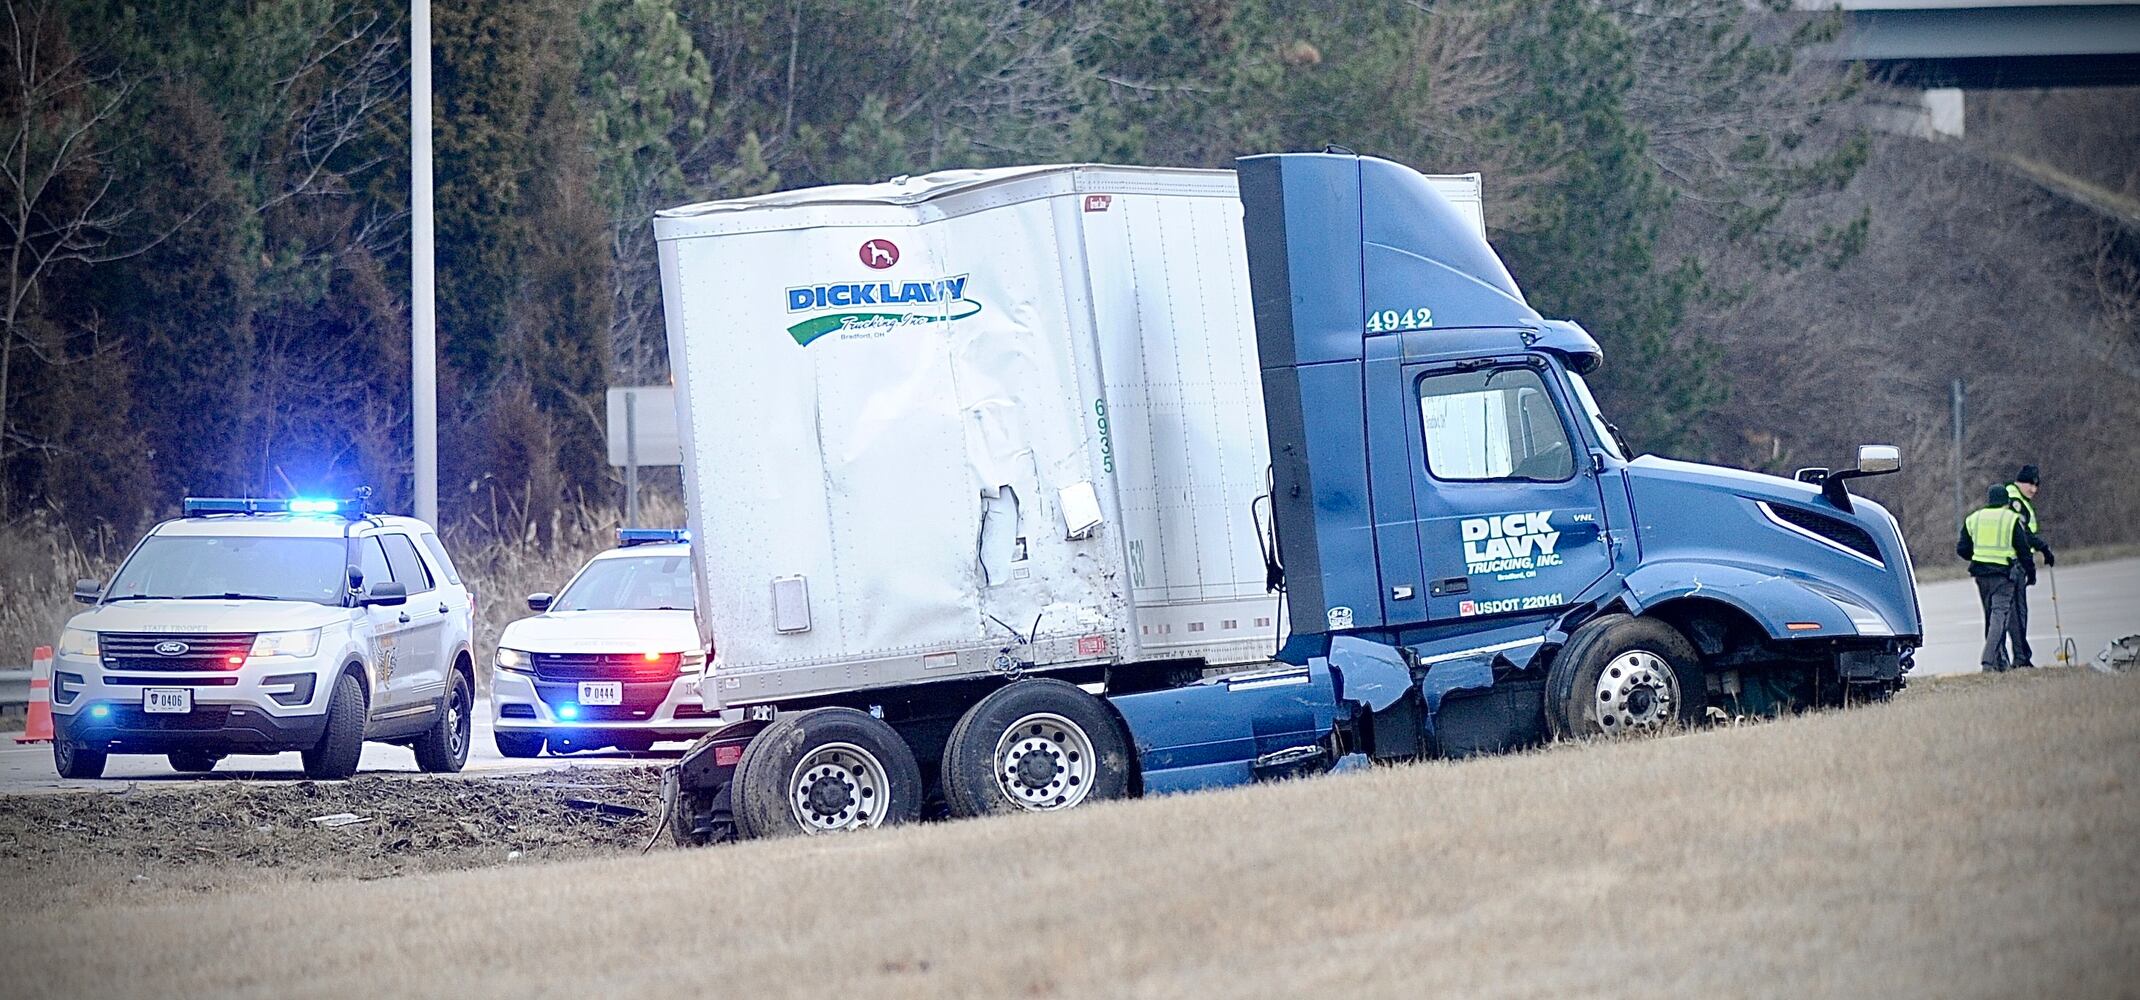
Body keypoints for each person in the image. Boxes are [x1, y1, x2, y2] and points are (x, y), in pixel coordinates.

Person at [1958, 483, 2039, 672]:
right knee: (1999, 616)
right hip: (2003, 574)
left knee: (1990, 615)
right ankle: (1988, 660)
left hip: (1980, 574)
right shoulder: (2010, 519)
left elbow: (1962, 548)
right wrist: (2031, 572)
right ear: (2005, 501)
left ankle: (1999, 662)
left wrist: (1978, 556)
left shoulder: (1974, 518)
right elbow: (2024, 551)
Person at [2002, 465, 2055, 667]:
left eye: (2036, 485)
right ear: (2019, 482)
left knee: (2006, 615)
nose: (2033, 489)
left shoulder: (2015, 499)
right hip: (2013, 564)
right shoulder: (2015, 503)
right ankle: (2021, 658)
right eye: (2029, 484)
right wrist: (2043, 548)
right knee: (2016, 615)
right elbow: (2023, 536)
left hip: (2006, 565)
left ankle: (2015, 657)